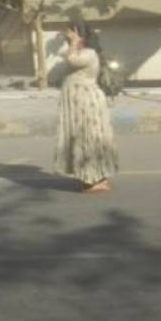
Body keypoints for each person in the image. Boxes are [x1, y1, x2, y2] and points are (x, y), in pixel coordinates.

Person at [53, 20, 118, 193]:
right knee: (81, 138)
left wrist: (74, 41)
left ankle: (96, 179)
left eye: (68, 31)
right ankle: (93, 177)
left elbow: (73, 60)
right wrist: (71, 42)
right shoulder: (78, 50)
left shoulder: (89, 53)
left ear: (77, 32)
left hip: (86, 102)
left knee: (89, 138)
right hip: (77, 101)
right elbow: (65, 55)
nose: (65, 35)